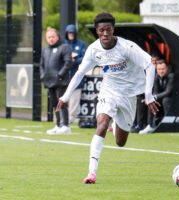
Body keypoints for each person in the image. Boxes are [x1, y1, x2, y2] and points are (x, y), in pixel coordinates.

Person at [56, 12, 160, 184]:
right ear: (97, 31)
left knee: (120, 142)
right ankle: (91, 173)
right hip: (108, 92)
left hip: (129, 95)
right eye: (102, 30)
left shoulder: (127, 47)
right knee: (102, 123)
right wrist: (66, 95)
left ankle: (117, 123)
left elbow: (149, 64)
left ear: (113, 30)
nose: (105, 34)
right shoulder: (93, 50)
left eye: (108, 30)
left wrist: (148, 95)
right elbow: (80, 72)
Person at [40, 27, 72, 134]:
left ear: (57, 37)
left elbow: (68, 63)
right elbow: (42, 65)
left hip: (61, 81)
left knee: (61, 103)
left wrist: (60, 75)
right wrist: (43, 76)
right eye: (49, 37)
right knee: (54, 103)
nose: (51, 39)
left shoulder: (64, 47)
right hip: (49, 82)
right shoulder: (45, 50)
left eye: (53, 37)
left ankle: (66, 125)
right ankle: (58, 125)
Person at [139, 59, 174, 134]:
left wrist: (155, 97)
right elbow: (155, 91)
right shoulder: (156, 77)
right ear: (156, 70)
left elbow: (168, 92)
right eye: (159, 69)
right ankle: (150, 126)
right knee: (151, 101)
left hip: (173, 99)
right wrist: (152, 98)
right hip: (162, 98)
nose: (161, 71)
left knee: (166, 100)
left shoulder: (171, 76)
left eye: (163, 69)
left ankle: (168, 124)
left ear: (166, 69)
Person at [130, 54, 160, 133]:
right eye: (152, 62)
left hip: (156, 95)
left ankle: (148, 125)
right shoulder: (145, 71)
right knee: (138, 98)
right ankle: (137, 124)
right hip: (147, 94)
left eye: (155, 62)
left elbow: (157, 88)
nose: (153, 64)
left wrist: (152, 96)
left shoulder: (161, 72)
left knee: (148, 100)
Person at [65, 24, 87, 124]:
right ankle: (63, 117)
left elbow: (86, 58)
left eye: (72, 32)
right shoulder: (63, 44)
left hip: (77, 75)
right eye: (69, 33)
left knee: (74, 98)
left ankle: (72, 117)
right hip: (64, 75)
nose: (71, 34)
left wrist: (75, 60)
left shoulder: (81, 44)